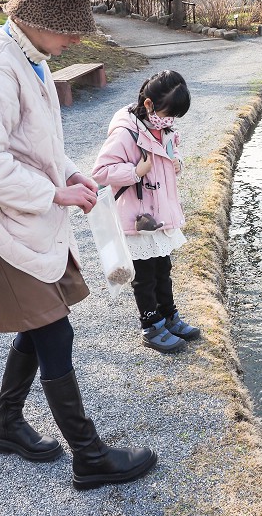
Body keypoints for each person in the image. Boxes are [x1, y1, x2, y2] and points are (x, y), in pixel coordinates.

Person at [0, 0, 156, 490]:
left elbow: (37, 143)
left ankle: (7, 425)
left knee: (41, 321)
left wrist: (70, 172)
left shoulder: (28, 57)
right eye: (69, 27)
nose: (76, 38)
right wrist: (54, 192)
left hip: (22, 213)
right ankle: (89, 454)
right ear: (35, 18)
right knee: (54, 327)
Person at [92, 70, 200, 354]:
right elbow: (101, 172)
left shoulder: (162, 128)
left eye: (174, 116)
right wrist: (134, 172)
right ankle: (151, 325)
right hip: (139, 218)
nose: (170, 120)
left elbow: (170, 156)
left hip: (160, 215)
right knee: (145, 275)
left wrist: (178, 164)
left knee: (164, 268)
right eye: (168, 113)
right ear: (149, 104)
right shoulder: (126, 133)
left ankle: (169, 316)